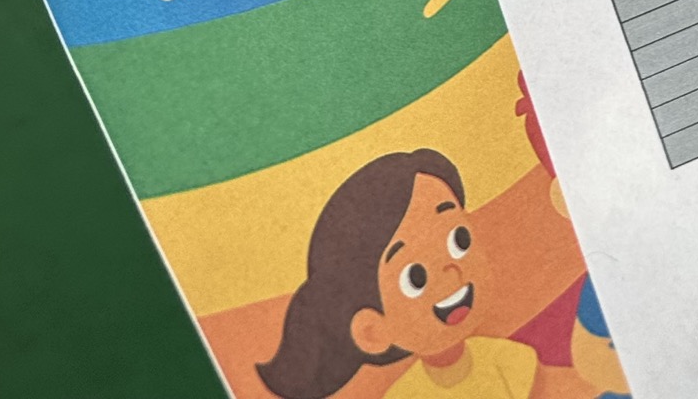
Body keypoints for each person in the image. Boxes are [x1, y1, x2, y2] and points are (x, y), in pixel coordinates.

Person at [258, 149, 617, 399]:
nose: (451, 272)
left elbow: (568, 387)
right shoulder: (404, 394)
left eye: (459, 240)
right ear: (372, 331)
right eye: (415, 277)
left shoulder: (503, 359)